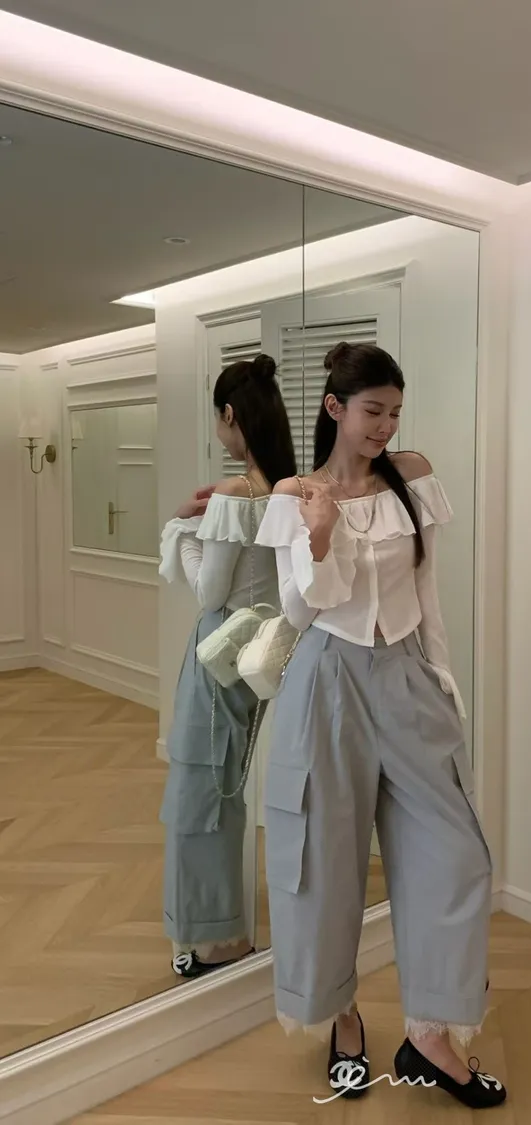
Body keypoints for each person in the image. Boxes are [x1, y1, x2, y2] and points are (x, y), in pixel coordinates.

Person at [253, 342, 506, 1109]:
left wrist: (445, 688)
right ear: (335, 407)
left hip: (406, 677)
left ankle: (429, 1034)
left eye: (394, 411)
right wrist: (319, 533)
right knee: (323, 862)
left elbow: (427, 592)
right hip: (325, 681)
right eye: (373, 411)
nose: (385, 426)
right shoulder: (294, 495)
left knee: (457, 856)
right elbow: (300, 610)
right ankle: (344, 1020)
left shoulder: (412, 478)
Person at [158, 354, 296, 979]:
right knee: (226, 787)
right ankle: (225, 927)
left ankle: (217, 940)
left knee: (202, 792)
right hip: (260, 653)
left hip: (218, 652)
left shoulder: (235, 495)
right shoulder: (287, 491)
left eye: (218, 417)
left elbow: (210, 592)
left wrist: (181, 532)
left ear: (231, 415)